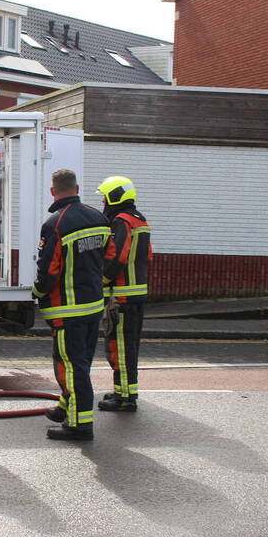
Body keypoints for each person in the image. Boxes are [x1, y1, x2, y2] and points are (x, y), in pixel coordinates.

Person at [32, 169, 110, 441]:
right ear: (77, 187)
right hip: (93, 305)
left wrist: (37, 291)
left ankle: (79, 424)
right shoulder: (98, 217)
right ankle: (67, 406)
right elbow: (109, 258)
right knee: (82, 362)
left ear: (53, 192)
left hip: (67, 309)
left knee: (70, 365)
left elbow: (49, 268)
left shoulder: (55, 223)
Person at [96, 176, 152, 412]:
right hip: (136, 292)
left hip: (122, 295)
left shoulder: (121, 221)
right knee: (130, 345)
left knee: (119, 346)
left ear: (114, 197)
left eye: (104, 197)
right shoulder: (140, 220)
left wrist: (100, 282)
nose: (102, 202)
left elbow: (116, 257)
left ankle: (126, 398)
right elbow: (148, 256)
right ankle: (124, 390)